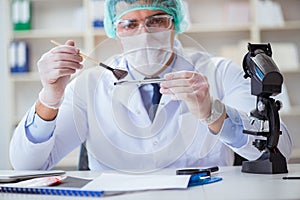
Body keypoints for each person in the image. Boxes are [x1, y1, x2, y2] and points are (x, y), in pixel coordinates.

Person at [10, 0, 292, 172]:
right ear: (114, 30)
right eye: (129, 24)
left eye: (157, 20)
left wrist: (213, 113)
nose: (143, 33)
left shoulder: (219, 73)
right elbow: (27, 165)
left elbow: (282, 149)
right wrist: (50, 96)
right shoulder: (90, 85)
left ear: (175, 23)